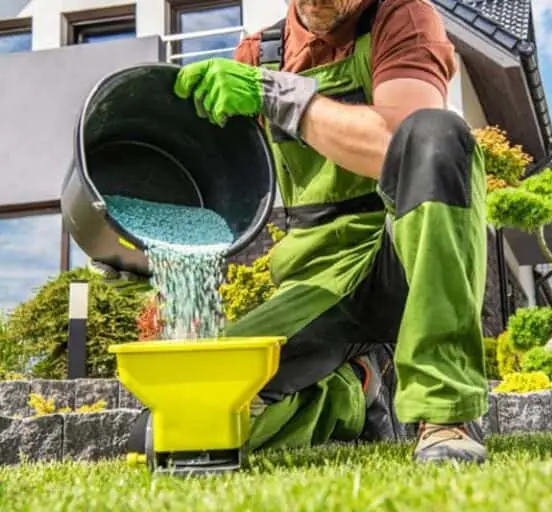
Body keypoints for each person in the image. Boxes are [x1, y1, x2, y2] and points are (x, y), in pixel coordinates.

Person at [127, 0, 490, 464]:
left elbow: (399, 143)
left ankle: (444, 417)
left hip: (411, 258)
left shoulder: (400, 17)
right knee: (168, 429)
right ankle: (351, 396)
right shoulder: (259, 55)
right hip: (321, 277)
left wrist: (282, 98)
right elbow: (220, 181)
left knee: (438, 133)